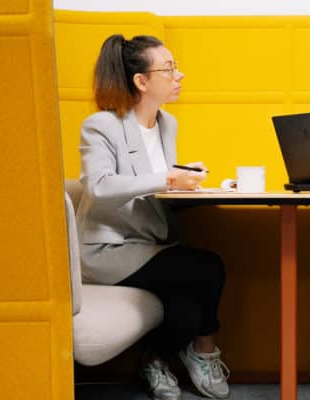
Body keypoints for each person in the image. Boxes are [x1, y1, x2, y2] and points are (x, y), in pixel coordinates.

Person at [77, 34, 229, 400]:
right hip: (108, 251)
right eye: (170, 68)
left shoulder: (167, 124)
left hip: (150, 245)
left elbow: (158, 182)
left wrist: (190, 182)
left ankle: (154, 360)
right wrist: (169, 178)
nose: (180, 75)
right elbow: (99, 185)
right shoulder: (101, 125)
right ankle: (204, 351)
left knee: (188, 308)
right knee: (208, 268)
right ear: (141, 81)